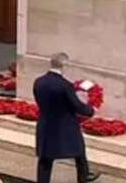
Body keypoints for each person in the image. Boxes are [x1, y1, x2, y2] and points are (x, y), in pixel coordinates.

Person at [33, 53, 99, 183]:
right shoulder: (65, 85)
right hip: (65, 126)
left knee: (45, 158)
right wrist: (91, 111)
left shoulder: (38, 82)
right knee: (79, 152)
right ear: (64, 66)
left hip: (45, 124)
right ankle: (83, 176)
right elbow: (76, 105)